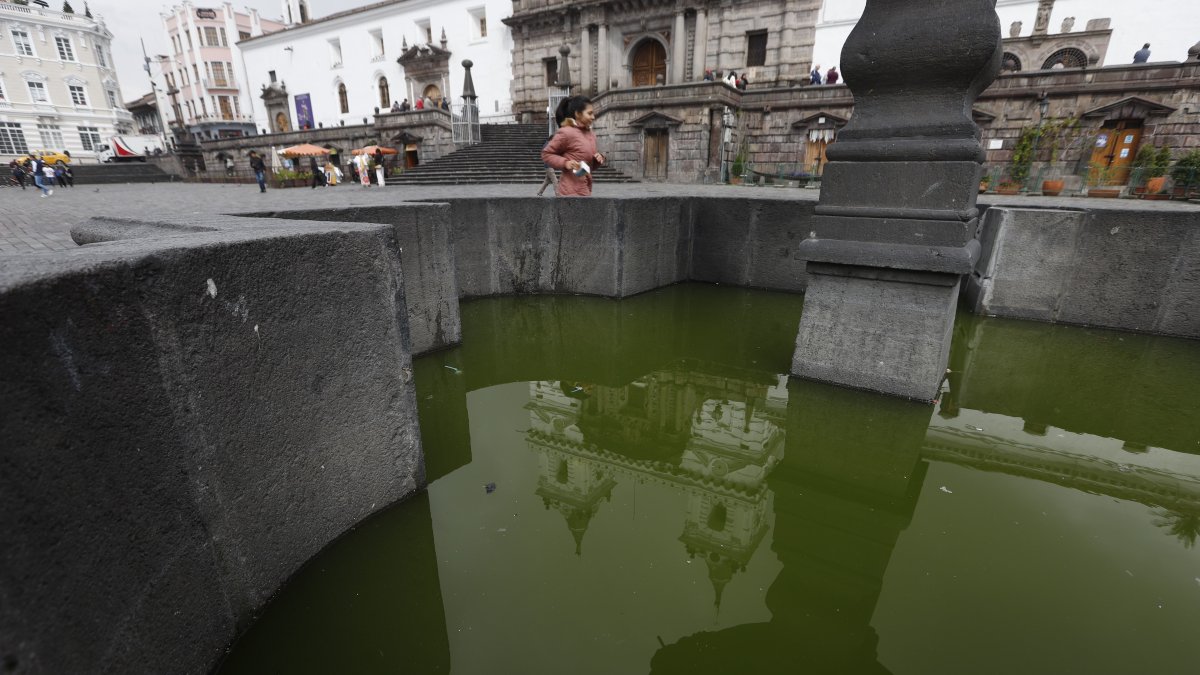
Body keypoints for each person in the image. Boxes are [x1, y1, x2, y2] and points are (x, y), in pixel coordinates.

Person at [540, 95, 605, 197]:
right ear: (578, 114)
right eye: (589, 113)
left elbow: (588, 166)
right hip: (569, 193)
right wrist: (565, 163)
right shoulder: (566, 132)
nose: (593, 117)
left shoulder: (590, 134)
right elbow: (546, 154)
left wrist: (597, 159)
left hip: (585, 189)